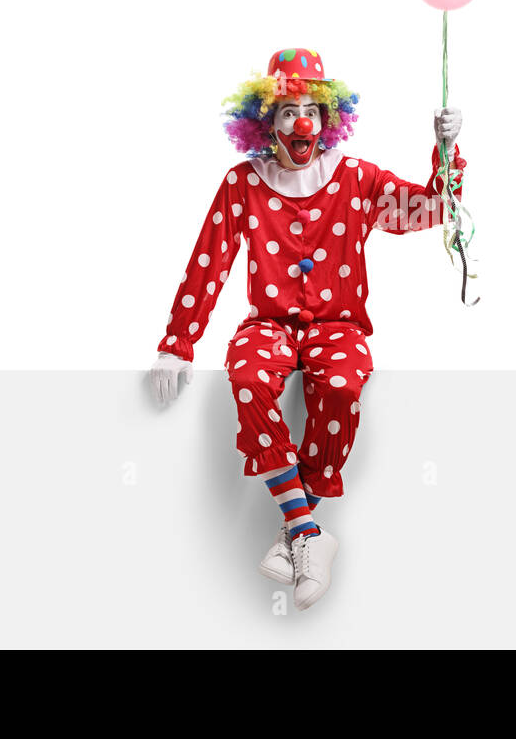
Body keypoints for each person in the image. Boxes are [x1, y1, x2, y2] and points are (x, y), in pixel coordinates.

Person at [149, 48, 464, 610]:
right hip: (268, 326)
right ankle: (309, 530)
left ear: (327, 121)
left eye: (311, 111)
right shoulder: (243, 183)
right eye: (287, 110)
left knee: (344, 383)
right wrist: (177, 344)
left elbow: (433, 210)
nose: (301, 122)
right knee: (245, 373)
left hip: (339, 327)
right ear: (264, 123)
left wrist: (446, 151)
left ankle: (295, 530)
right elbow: (208, 264)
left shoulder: (355, 179)